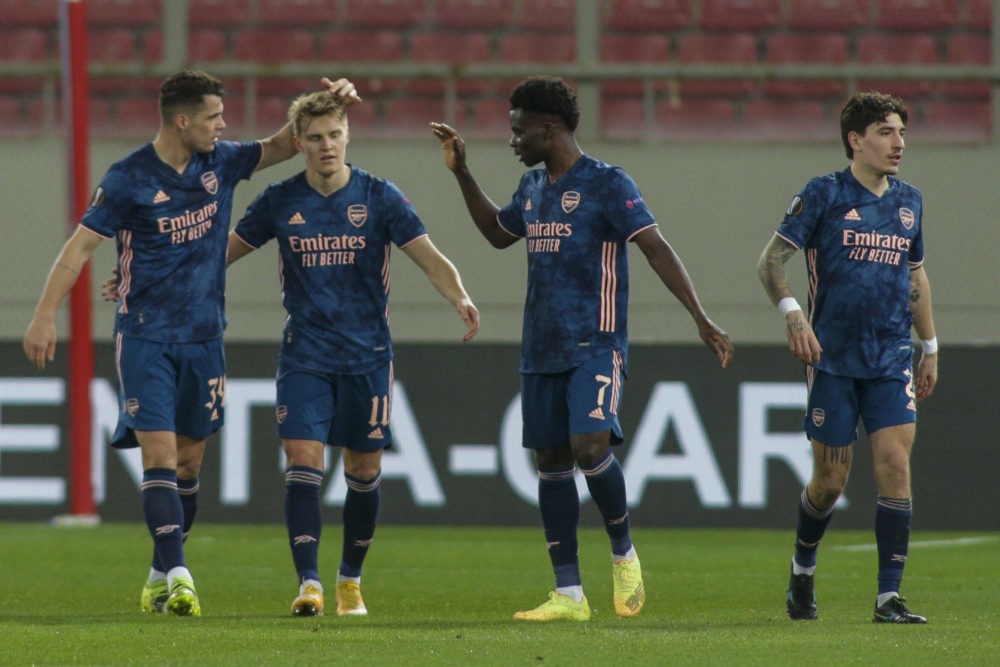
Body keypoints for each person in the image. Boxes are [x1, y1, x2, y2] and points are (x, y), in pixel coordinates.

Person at [23, 70, 360, 617]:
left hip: (205, 337)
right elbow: (80, 247)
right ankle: (181, 576)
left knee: (187, 464)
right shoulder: (128, 178)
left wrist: (329, 103)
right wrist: (44, 314)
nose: (223, 125)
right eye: (213, 117)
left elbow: (281, 144)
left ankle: (159, 573)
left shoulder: (221, 162)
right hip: (145, 336)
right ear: (183, 121)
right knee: (157, 454)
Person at [431, 75, 733, 622]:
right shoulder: (531, 188)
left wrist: (700, 316)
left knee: (590, 446)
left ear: (550, 128)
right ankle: (568, 593)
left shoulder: (608, 183)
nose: (512, 141)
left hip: (596, 342)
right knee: (550, 459)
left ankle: (624, 555)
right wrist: (462, 173)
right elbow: (499, 234)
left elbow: (656, 248)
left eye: (519, 130)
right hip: (540, 346)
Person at [228, 91, 479, 618]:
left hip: (368, 357)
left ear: (348, 136)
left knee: (363, 472)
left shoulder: (380, 196)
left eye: (334, 135)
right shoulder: (279, 201)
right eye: (315, 138)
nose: (326, 146)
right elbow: (221, 253)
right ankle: (309, 583)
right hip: (305, 355)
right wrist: (162, 278)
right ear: (297, 143)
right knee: (303, 462)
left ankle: (350, 580)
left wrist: (459, 295)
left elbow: (428, 257)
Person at [756, 91, 938, 624]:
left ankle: (889, 598)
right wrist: (793, 313)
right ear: (855, 140)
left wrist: (929, 345)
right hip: (831, 358)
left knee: (895, 467)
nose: (899, 143)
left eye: (902, 132)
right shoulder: (823, 194)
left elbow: (915, 274)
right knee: (830, 482)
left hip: (889, 358)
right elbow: (771, 262)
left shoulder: (910, 201)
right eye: (886, 132)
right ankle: (803, 570)